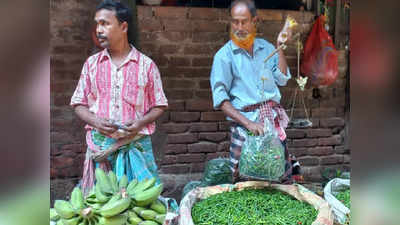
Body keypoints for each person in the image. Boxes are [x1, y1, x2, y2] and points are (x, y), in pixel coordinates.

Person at [70, 0, 168, 195]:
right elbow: (78, 103)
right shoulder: (91, 65)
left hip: (135, 146)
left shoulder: (146, 66)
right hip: (101, 148)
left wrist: (141, 122)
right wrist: (96, 121)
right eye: (97, 23)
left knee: (141, 205)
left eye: (105, 23)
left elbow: (160, 105)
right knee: (103, 207)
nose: (99, 29)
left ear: (123, 27)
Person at [210, 0, 294, 183]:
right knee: (245, 181)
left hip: (271, 124)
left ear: (254, 21)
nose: (239, 27)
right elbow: (221, 100)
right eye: (235, 22)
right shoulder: (224, 56)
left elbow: (282, 79)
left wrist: (280, 47)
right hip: (244, 128)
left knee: (278, 177)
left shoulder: (267, 49)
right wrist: (249, 124)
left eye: (244, 21)